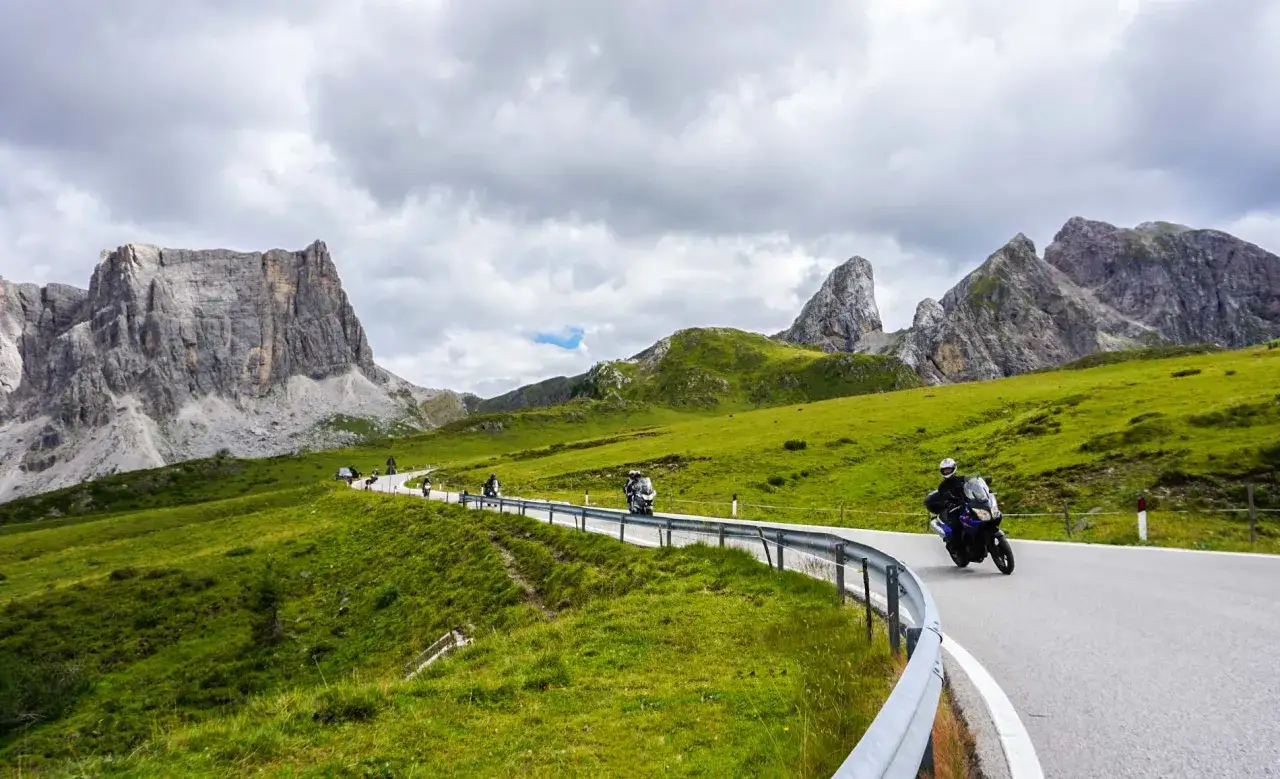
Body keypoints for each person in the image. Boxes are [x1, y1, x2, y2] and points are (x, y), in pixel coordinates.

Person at [935, 458, 968, 546]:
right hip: (954, 509)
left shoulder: (963, 479)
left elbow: (975, 486)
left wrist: (986, 491)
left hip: (968, 505)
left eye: (948, 469)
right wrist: (948, 504)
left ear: (954, 469)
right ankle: (959, 548)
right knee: (956, 526)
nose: (947, 472)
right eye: (945, 470)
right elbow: (943, 498)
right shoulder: (942, 486)